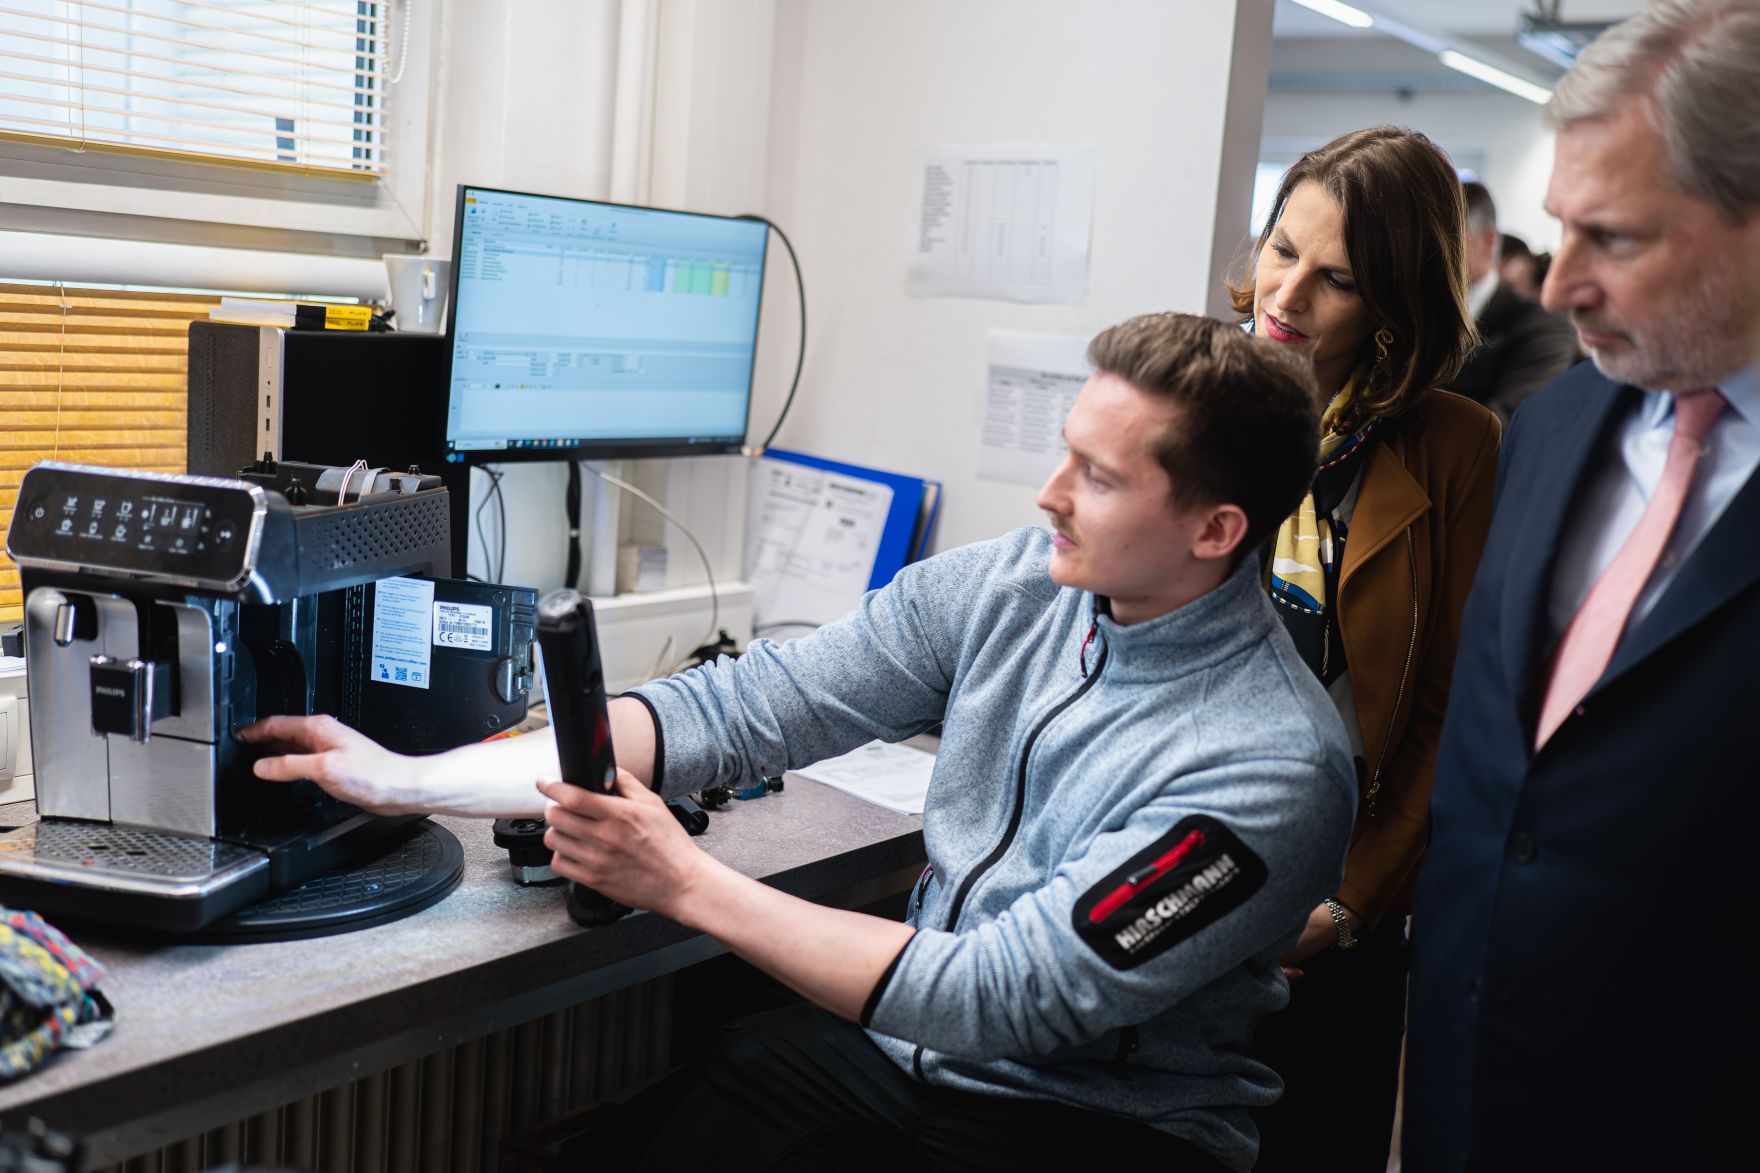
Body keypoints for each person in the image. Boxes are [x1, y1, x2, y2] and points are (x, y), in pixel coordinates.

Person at [242, 313, 1358, 1172]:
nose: (1048, 494)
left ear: (1216, 531)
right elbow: (744, 709)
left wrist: (680, 879)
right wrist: (408, 780)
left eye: (1099, 479)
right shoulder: (1018, 586)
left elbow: (999, 999)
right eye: (1065, 454)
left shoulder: (1265, 767)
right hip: (900, 1063)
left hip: (1093, 1127)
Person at [1406, 2, 1760, 1169]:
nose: (1556, 286)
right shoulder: (1550, 426)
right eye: (1557, 228)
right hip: (1471, 1086)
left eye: (1611, 238)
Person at [1224, 126, 1501, 1172]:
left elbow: (1448, 711)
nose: (1283, 296)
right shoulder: (1199, 386)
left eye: (1332, 277)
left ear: (1394, 300)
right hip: (1169, 832)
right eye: (1278, 249)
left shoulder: (1454, 446)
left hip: (1340, 878)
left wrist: (1345, 904)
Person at [1446, 181, 1579, 420]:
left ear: (1487, 242)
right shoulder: (1406, 314)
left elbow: (1508, 425)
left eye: (1447, 239)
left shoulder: (1541, 326)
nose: (1428, 251)